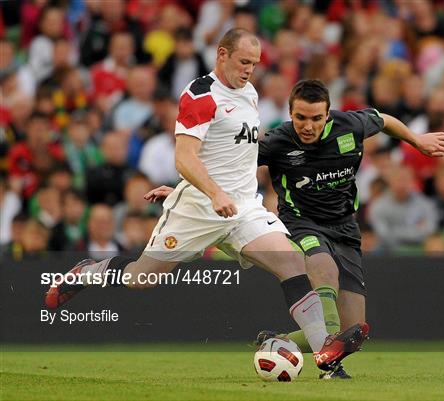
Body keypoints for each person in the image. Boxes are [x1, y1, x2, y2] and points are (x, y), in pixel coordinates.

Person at [45, 29, 366, 374]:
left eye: (254, 64)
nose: (249, 70)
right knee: (142, 278)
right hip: (199, 209)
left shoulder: (250, 94)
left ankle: (327, 363)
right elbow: (185, 158)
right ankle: (89, 272)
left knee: (293, 263)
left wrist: (223, 192)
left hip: (243, 208)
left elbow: (231, 155)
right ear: (222, 54)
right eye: (243, 62)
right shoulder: (200, 95)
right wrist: (210, 192)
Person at [145, 79, 444, 378]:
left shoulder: (351, 126)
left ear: (327, 114)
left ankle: (279, 342)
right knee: (323, 268)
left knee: (354, 332)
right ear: (291, 114)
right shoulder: (277, 141)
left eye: (316, 118)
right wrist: (181, 191)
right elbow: (230, 169)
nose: (308, 125)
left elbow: (383, 120)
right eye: (301, 117)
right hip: (301, 222)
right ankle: (330, 363)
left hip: (345, 228)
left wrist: (417, 140)